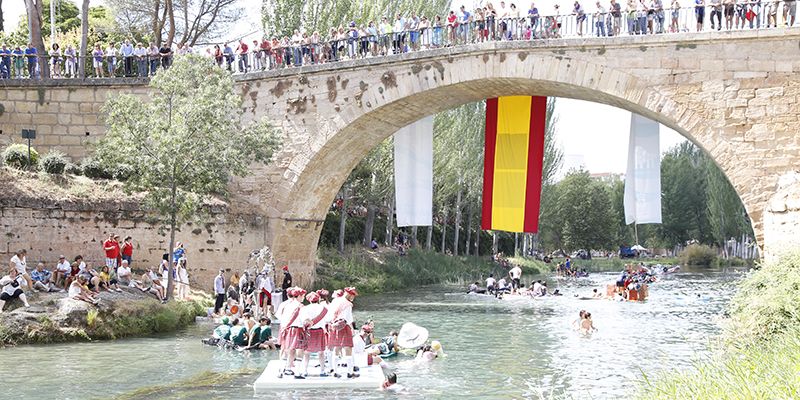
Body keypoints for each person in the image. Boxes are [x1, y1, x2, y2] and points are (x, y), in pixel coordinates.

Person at [328, 287, 359, 378]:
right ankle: (350, 372)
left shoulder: (335, 301)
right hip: (344, 327)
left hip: (334, 326)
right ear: (349, 294)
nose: (353, 297)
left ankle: (335, 372)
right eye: (353, 295)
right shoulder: (348, 304)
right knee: (348, 348)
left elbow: (330, 314)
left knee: (336, 348)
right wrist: (352, 329)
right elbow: (348, 319)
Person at [298, 291, 329, 377]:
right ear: (318, 299)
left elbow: (303, 321)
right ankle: (322, 371)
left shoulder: (304, 308)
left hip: (309, 331)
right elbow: (328, 319)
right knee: (321, 352)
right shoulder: (323, 308)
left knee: (306, 353)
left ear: (308, 300)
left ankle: (304, 371)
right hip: (320, 331)